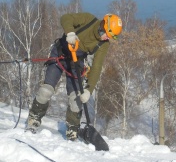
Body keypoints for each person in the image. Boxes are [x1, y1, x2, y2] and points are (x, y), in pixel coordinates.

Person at [26, 12, 122, 140]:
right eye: (107, 34)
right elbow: (65, 18)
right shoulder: (88, 20)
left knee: (76, 99)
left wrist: (89, 89)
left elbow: (97, 67)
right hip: (61, 54)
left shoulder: (103, 44)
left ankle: (73, 129)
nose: (106, 38)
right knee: (46, 91)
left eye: (110, 37)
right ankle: (34, 119)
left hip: (76, 62)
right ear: (103, 25)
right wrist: (70, 33)